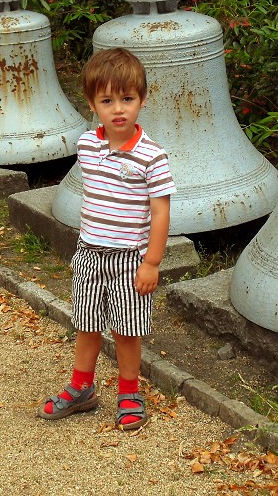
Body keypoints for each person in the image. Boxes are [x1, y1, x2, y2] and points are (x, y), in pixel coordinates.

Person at [38, 47, 176, 430]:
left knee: (127, 331)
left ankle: (129, 391)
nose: (119, 109)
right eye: (107, 100)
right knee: (86, 324)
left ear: (142, 100)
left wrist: (152, 262)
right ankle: (81, 388)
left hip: (130, 260)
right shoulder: (87, 145)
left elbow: (161, 212)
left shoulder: (152, 157)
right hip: (88, 255)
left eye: (127, 99)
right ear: (92, 104)